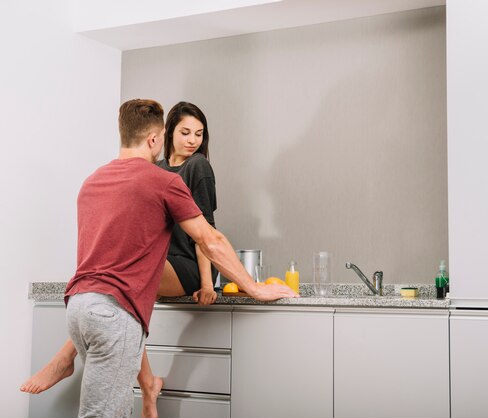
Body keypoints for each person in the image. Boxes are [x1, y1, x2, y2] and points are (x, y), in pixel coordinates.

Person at [20, 99, 297, 418]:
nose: (191, 140)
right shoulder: (161, 181)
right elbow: (211, 239)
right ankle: (98, 370)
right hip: (114, 313)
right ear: (156, 138)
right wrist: (255, 288)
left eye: (198, 133)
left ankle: (140, 381)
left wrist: (207, 281)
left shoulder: (92, 181)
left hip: (79, 307)